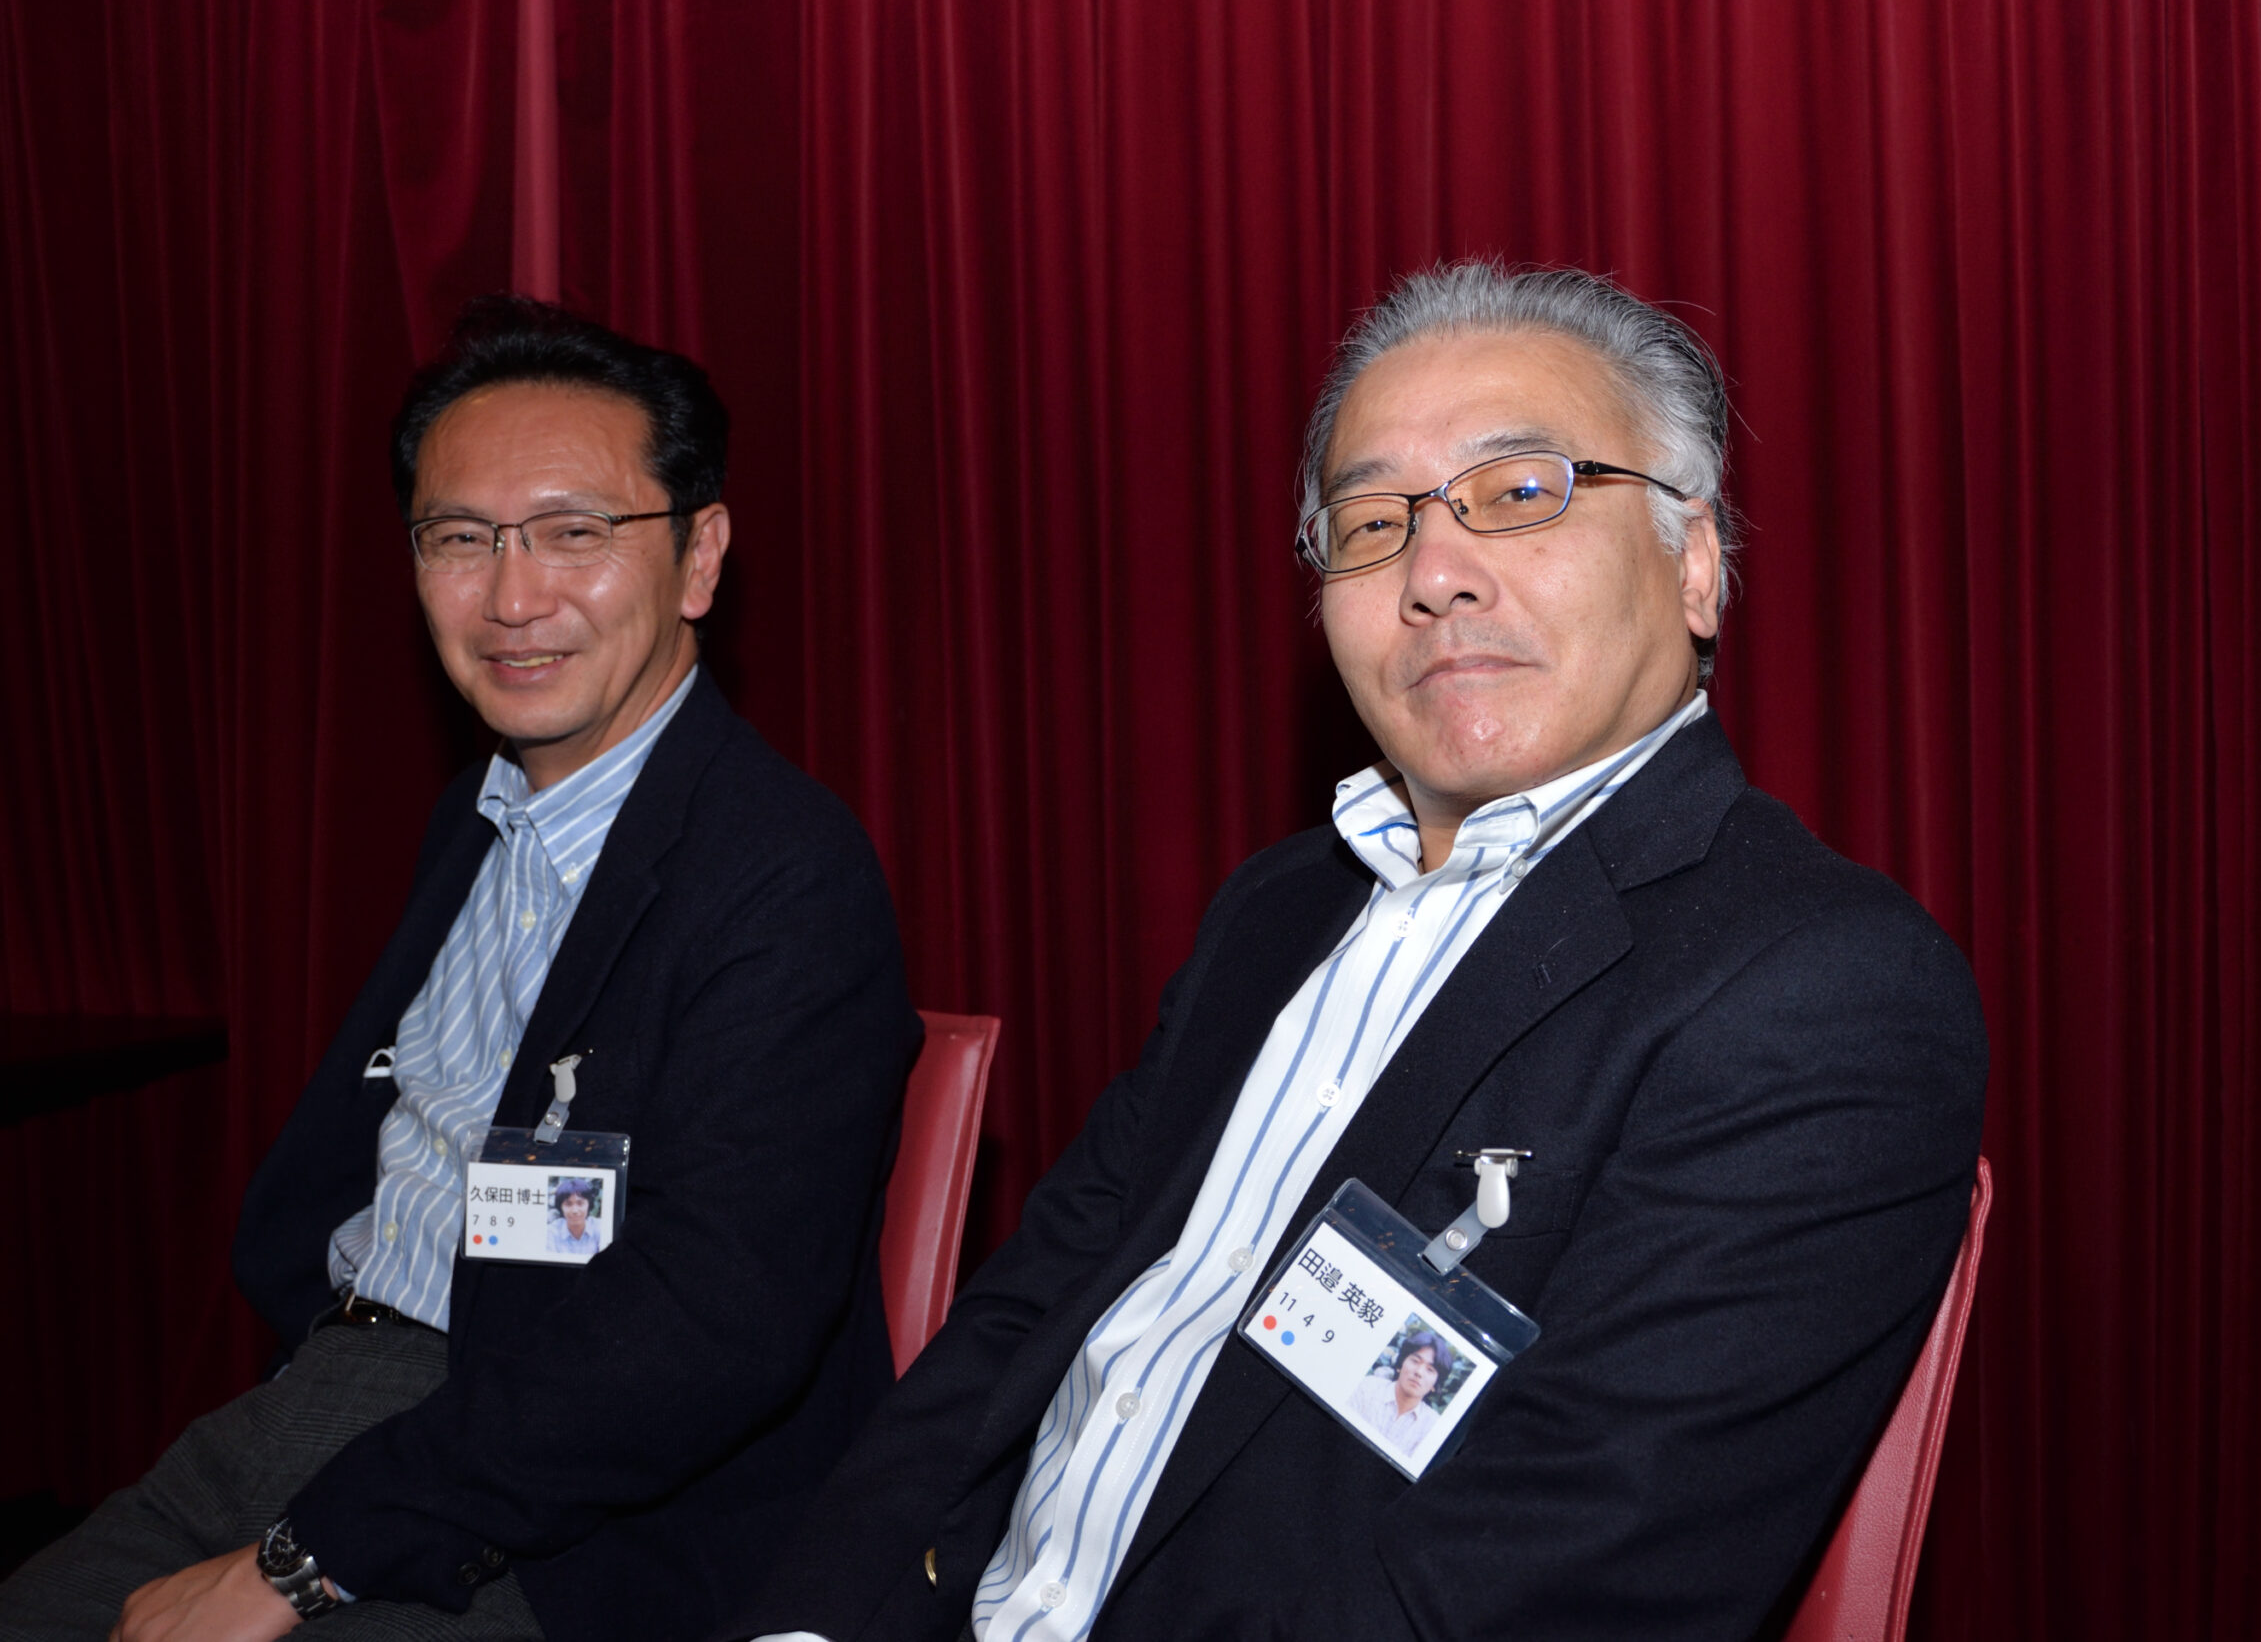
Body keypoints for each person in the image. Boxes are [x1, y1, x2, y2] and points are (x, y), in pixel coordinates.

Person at [733, 261, 1987, 1642]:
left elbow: (1562, 1579)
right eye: (1374, 522)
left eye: (1522, 492)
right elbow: (1021, 1324)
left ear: (1692, 562)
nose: (1434, 573)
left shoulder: (1818, 990)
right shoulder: (1277, 910)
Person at [0, 299, 920, 1642]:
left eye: (574, 532)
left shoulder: (784, 875)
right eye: (458, 539)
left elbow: (706, 1327)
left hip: (586, 1514)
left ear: (699, 555)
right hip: (332, 1396)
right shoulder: (477, 817)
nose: (511, 598)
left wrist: (302, 1561)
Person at [1349, 1330, 1451, 1459]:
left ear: (1434, 1385)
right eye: (1415, 1361)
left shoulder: (1432, 1427)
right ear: (1400, 1364)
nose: (1419, 1372)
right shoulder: (1367, 1388)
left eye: (1430, 1370)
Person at [545, 1179, 602, 1257]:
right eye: (568, 1204)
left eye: (580, 1203)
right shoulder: (551, 1232)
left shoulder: (600, 1227)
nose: (575, 1210)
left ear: (589, 1204)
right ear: (560, 1207)